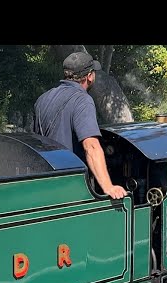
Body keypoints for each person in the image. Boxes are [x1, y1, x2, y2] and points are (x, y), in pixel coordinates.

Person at [34, 52, 127, 200]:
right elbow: (91, 146)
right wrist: (108, 186)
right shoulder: (83, 100)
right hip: (72, 188)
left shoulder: (42, 99)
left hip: (47, 184)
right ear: (89, 76)